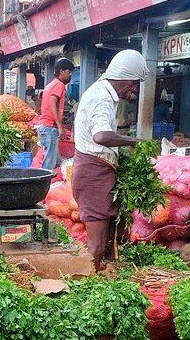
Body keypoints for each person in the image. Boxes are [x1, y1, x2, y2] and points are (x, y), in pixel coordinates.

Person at [72, 49, 147, 270]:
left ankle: (100, 277)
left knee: (104, 240)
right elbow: (101, 136)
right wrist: (134, 142)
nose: (133, 88)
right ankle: (89, 286)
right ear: (123, 79)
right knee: (96, 243)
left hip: (98, 169)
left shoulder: (103, 94)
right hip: (93, 172)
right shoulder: (102, 97)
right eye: (133, 83)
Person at [38, 58, 74, 171]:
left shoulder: (51, 84)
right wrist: (59, 126)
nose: (70, 76)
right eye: (69, 72)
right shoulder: (59, 85)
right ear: (62, 71)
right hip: (49, 127)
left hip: (44, 126)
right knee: (49, 166)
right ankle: (43, 187)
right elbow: (52, 103)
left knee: (55, 161)